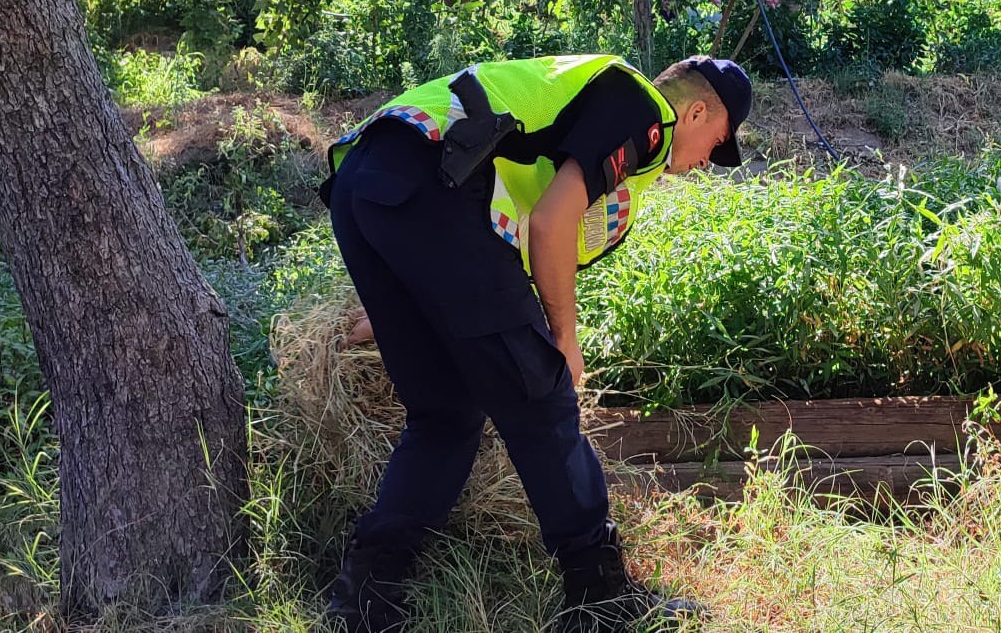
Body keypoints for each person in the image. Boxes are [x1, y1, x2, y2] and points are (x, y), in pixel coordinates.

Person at [318, 54, 752, 633]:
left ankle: (363, 595)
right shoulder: (644, 109)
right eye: (717, 145)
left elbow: (488, 225)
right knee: (542, 399)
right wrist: (564, 339)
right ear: (697, 111)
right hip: (425, 190)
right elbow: (552, 222)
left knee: (444, 415)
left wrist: (398, 303)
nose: (704, 164)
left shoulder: (575, 97)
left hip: (365, 185)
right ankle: (600, 596)